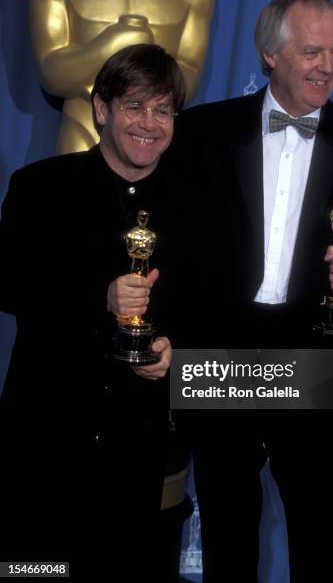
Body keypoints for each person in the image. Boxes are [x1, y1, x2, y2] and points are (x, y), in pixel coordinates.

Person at [170, 0, 333, 582]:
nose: (327, 66)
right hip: (222, 353)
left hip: (318, 352)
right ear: (270, 54)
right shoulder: (200, 132)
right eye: (311, 51)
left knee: (323, 534)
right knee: (227, 528)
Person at [0, 43, 191, 578]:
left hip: (137, 451)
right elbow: (9, 284)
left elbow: (204, 303)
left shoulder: (195, 204)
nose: (149, 124)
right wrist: (97, 297)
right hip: (42, 445)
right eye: (134, 106)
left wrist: (176, 352)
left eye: (162, 110)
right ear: (102, 109)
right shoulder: (40, 187)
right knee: (31, 572)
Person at [28, 0, 215, 153]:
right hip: (85, 131)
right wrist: (107, 47)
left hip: (152, 140)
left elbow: (191, 74)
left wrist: (146, 74)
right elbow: (51, 75)